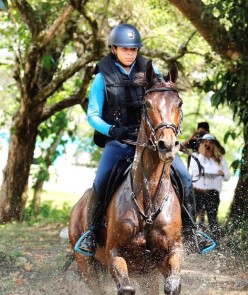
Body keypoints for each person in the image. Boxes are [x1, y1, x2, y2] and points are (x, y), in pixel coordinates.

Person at [76, 24, 205, 255]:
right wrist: (112, 130)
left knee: (184, 176)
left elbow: (162, 100)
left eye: (133, 49)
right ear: (114, 49)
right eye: (125, 49)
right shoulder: (101, 77)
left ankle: (192, 231)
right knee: (102, 180)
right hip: (119, 140)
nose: (130, 53)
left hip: (152, 141)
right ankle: (91, 233)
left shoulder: (149, 72)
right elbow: (92, 115)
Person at [189, 133, 231, 244]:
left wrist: (222, 173)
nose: (207, 144)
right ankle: (190, 240)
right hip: (198, 192)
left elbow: (227, 176)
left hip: (213, 193)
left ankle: (215, 242)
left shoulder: (220, 159)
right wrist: (202, 154)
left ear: (214, 144)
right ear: (201, 143)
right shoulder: (195, 157)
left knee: (212, 218)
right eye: (205, 142)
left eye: (210, 142)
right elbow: (197, 172)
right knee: (193, 217)